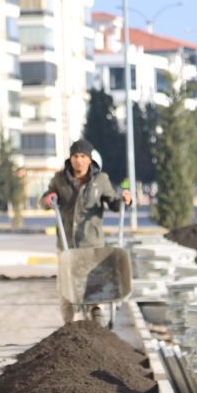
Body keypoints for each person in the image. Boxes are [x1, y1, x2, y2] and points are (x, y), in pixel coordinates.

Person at [42, 138, 131, 324]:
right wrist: (48, 199)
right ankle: (69, 326)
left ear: (90, 159)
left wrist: (124, 200)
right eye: (75, 156)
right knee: (66, 289)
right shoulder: (60, 180)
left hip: (92, 245)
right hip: (66, 245)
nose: (79, 160)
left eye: (83, 156)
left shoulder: (100, 180)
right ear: (71, 158)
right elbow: (45, 199)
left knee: (93, 287)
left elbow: (114, 202)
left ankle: (96, 321)